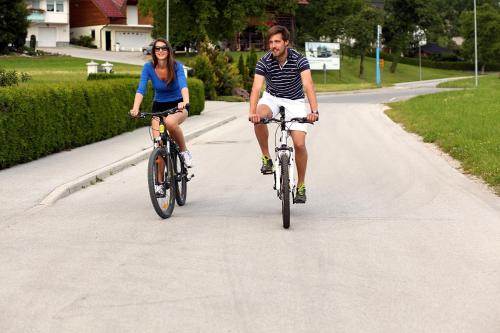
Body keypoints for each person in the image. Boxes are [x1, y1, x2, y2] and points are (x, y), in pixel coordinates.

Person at [248, 25, 319, 204]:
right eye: (271, 42)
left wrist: (314, 111)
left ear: (286, 42)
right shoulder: (264, 61)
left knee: (299, 144)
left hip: (294, 101)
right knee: (259, 117)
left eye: (277, 42)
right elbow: (256, 88)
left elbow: (308, 84)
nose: (273, 46)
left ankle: (301, 185)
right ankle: (266, 157)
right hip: (272, 97)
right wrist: (252, 112)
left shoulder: (299, 59)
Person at [130, 38, 193, 169]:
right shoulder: (148, 67)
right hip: (158, 107)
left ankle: (184, 151)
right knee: (159, 146)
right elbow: (141, 89)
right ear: (153, 51)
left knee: (170, 122)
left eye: (164, 48)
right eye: (157, 48)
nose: (160, 51)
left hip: (177, 105)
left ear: (169, 50)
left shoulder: (177, 66)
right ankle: (159, 185)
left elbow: (183, 85)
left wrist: (185, 101)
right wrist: (135, 108)